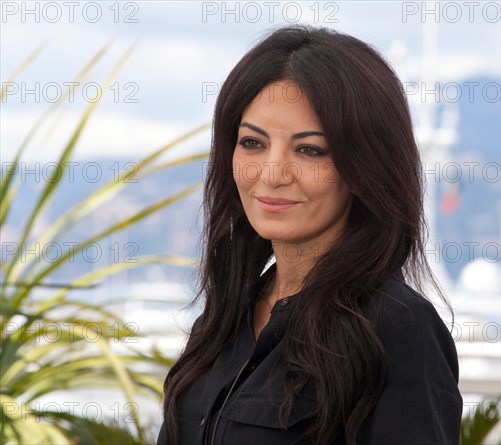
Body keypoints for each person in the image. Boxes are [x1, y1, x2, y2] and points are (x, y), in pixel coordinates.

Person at [158, 24, 463, 445]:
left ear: (363, 168)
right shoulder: (222, 321)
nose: (272, 174)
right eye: (252, 143)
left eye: (310, 150)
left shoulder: (396, 328)